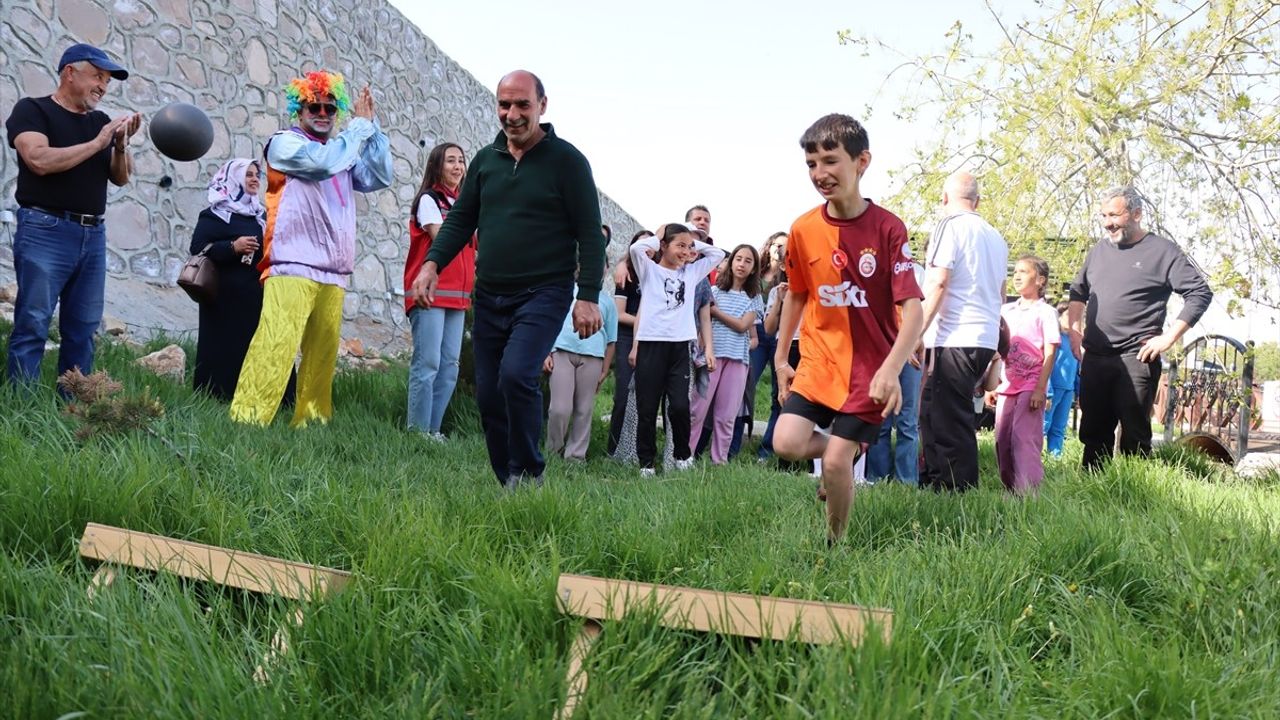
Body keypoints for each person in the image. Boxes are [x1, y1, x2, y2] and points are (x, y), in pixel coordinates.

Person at [410, 70, 607, 490]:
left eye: (522, 105)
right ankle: (507, 479)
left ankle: (529, 471)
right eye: (504, 105)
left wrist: (587, 295)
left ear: (542, 105)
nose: (512, 114)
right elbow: (461, 219)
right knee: (488, 394)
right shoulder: (485, 161)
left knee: (517, 375)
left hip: (544, 292)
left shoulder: (568, 162)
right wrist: (431, 265)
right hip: (491, 293)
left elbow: (591, 233)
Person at [772, 114, 923, 545]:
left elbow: (911, 310)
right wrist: (783, 359)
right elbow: (796, 296)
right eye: (811, 164)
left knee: (836, 465)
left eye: (830, 161)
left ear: (862, 162)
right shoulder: (803, 229)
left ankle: (834, 546)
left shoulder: (889, 228)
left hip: (869, 368)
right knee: (786, 442)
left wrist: (892, 368)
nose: (820, 174)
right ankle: (846, 445)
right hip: (819, 362)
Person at [229, 71, 393, 427]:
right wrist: (358, 130)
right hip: (292, 263)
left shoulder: (341, 151)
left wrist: (372, 127)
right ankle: (248, 421)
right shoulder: (284, 143)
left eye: (330, 108)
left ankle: (312, 421)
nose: (322, 113)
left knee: (322, 354)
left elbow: (380, 176)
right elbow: (321, 165)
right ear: (298, 111)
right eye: (313, 107)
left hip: (333, 269)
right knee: (276, 343)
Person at [4, 43, 141, 386]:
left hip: (92, 236)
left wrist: (120, 144)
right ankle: (23, 405)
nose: (103, 87)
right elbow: (39, 160)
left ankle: (76, 409)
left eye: (107, 81)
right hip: (44, 229)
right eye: (97, 76)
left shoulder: (101, 122)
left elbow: (121, 177)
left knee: (83, 329)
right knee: (33, 323)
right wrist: (99, 142)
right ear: (69, 72)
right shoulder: (32, 110)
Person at [1068, 186, 1213, 470]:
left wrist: (1168, 338)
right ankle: (1088, 497)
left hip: (1137, 356)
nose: (1108, 222)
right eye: (1104, 215)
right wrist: (1075, 332)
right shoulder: (1099, 250)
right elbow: (1077, 292)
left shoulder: (1162, 251)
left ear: (1136, 214)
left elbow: (1199, 293)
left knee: (1134, 434)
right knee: (1093, 433)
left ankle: (1134, 496)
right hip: (1096, 356)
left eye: (1114, 215)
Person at [917, 171, 1008, 492]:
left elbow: (938, 282)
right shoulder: (995, 237)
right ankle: (932, 484)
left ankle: (957, 492)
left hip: (954, 337)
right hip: (980, 336)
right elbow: (1001, 293)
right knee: (930, 412)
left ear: (944, 199)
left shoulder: (949, 226)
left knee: (948, 418)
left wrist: (916, 332)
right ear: (977, 201)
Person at [190, 159, 296, 403]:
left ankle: (271, 399)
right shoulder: (215, 215)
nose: (254, 179)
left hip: (258, 292)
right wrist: (232, 247)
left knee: (264, 343)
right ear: (233, 178)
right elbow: (198, 248)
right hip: (223, 297)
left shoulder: (261, 214)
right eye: (247, 174)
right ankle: (217, 398)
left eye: (256, 175)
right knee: (223, 347)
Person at [630, 224, 725, 476]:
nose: (686, 251)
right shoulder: (648, 270)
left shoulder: (692, 273)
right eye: (679, 246)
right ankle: (647, 464)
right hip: (651, 345)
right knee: (647, 408)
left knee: (680, 406)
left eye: (689, 247)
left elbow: (718, 255)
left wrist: (692, 238)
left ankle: (683, 456)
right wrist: (660, 234)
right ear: (663, 246)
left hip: (680, 348)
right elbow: (636, 248)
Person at [403, 142, 474, 441]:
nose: (457, 167)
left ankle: (433, 430)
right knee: (428, 363)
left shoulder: (467, 204)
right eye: (450, 161)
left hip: (458, 297)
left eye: (461, 161)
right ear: (437, 165)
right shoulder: (429, 200)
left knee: (449, 367)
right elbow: (441, 236)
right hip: (430, 293)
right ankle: (417, 432)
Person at [988, 255, 1058, 495]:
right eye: (1015, 271)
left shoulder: (1046, 312)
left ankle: (1027, 491)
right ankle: (1009, 488)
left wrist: (1041, 388)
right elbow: (998, 350)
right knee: (1002, 437)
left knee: (1023, 437)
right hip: (1007, 384)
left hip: (1031, 383)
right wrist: (992, 384)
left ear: (1040, 280)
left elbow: (1050, 351)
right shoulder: (1006, 310)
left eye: (1024, 272)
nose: (1017, 276)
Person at [691, 244, 764, 464]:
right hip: (711, 357)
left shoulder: (754, 297)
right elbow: (703, 324)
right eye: (738, 259)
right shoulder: (713, 292)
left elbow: (743, 326)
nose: (742, 264)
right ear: (731, 262)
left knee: (726, 416)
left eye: (748, 261)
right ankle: (684, 455)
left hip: (738, 361)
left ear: (753, 269)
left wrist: (715, 311)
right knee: (697, 410)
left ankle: (719, 460)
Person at [544, 271, 618, 461]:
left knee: (584, 409)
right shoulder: (565, 292)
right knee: (559, 408)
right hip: (562, 352)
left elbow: (611, 341)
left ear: (605, 269)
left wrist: (605, 369)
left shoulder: (607, 302)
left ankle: (575, 457)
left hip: (593, 357)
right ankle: (554, 451)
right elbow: (547, 323)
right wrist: (545, 353)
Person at [865, 258, 926, 485]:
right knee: (879, 417)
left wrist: (910, 344)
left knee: (907, 421)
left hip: (910, 354)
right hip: (879, 352)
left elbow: (922, 313)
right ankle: (877, 479)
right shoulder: (870, 269)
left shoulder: (916, 272)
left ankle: (906, 482)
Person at [732, 231, 788, 457]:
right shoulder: (754, 274)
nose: (781, 251)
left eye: (786, 247)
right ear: (769, 246)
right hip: (755, 337)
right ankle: (731, 446)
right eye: (778, 245)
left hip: (778, 337)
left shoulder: (788, 278)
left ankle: (767, 451)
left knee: (779, 395)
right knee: (742, 388)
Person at [607, 230, 652, 455]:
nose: (645, 250)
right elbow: (619, 314)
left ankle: (636, 449)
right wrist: (647, 322)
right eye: (640, 245)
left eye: (650, 245)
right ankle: (613, 449)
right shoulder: (627, 274)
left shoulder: (658, 273)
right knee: (623, 395)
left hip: (653, 340)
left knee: (645, 397)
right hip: (627, 336)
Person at [1043, 302, 1078, 456]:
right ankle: (1031, 461)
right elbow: (1047, 365)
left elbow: (1078, 368)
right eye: (1068, 316)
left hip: (1068, 390)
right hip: (1054, 389)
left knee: (1059, 428)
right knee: (1043, 425)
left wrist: (1079, 392)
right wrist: (1048, 392)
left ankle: (1054, 460)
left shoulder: (1074, 341)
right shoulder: (1054, 339)